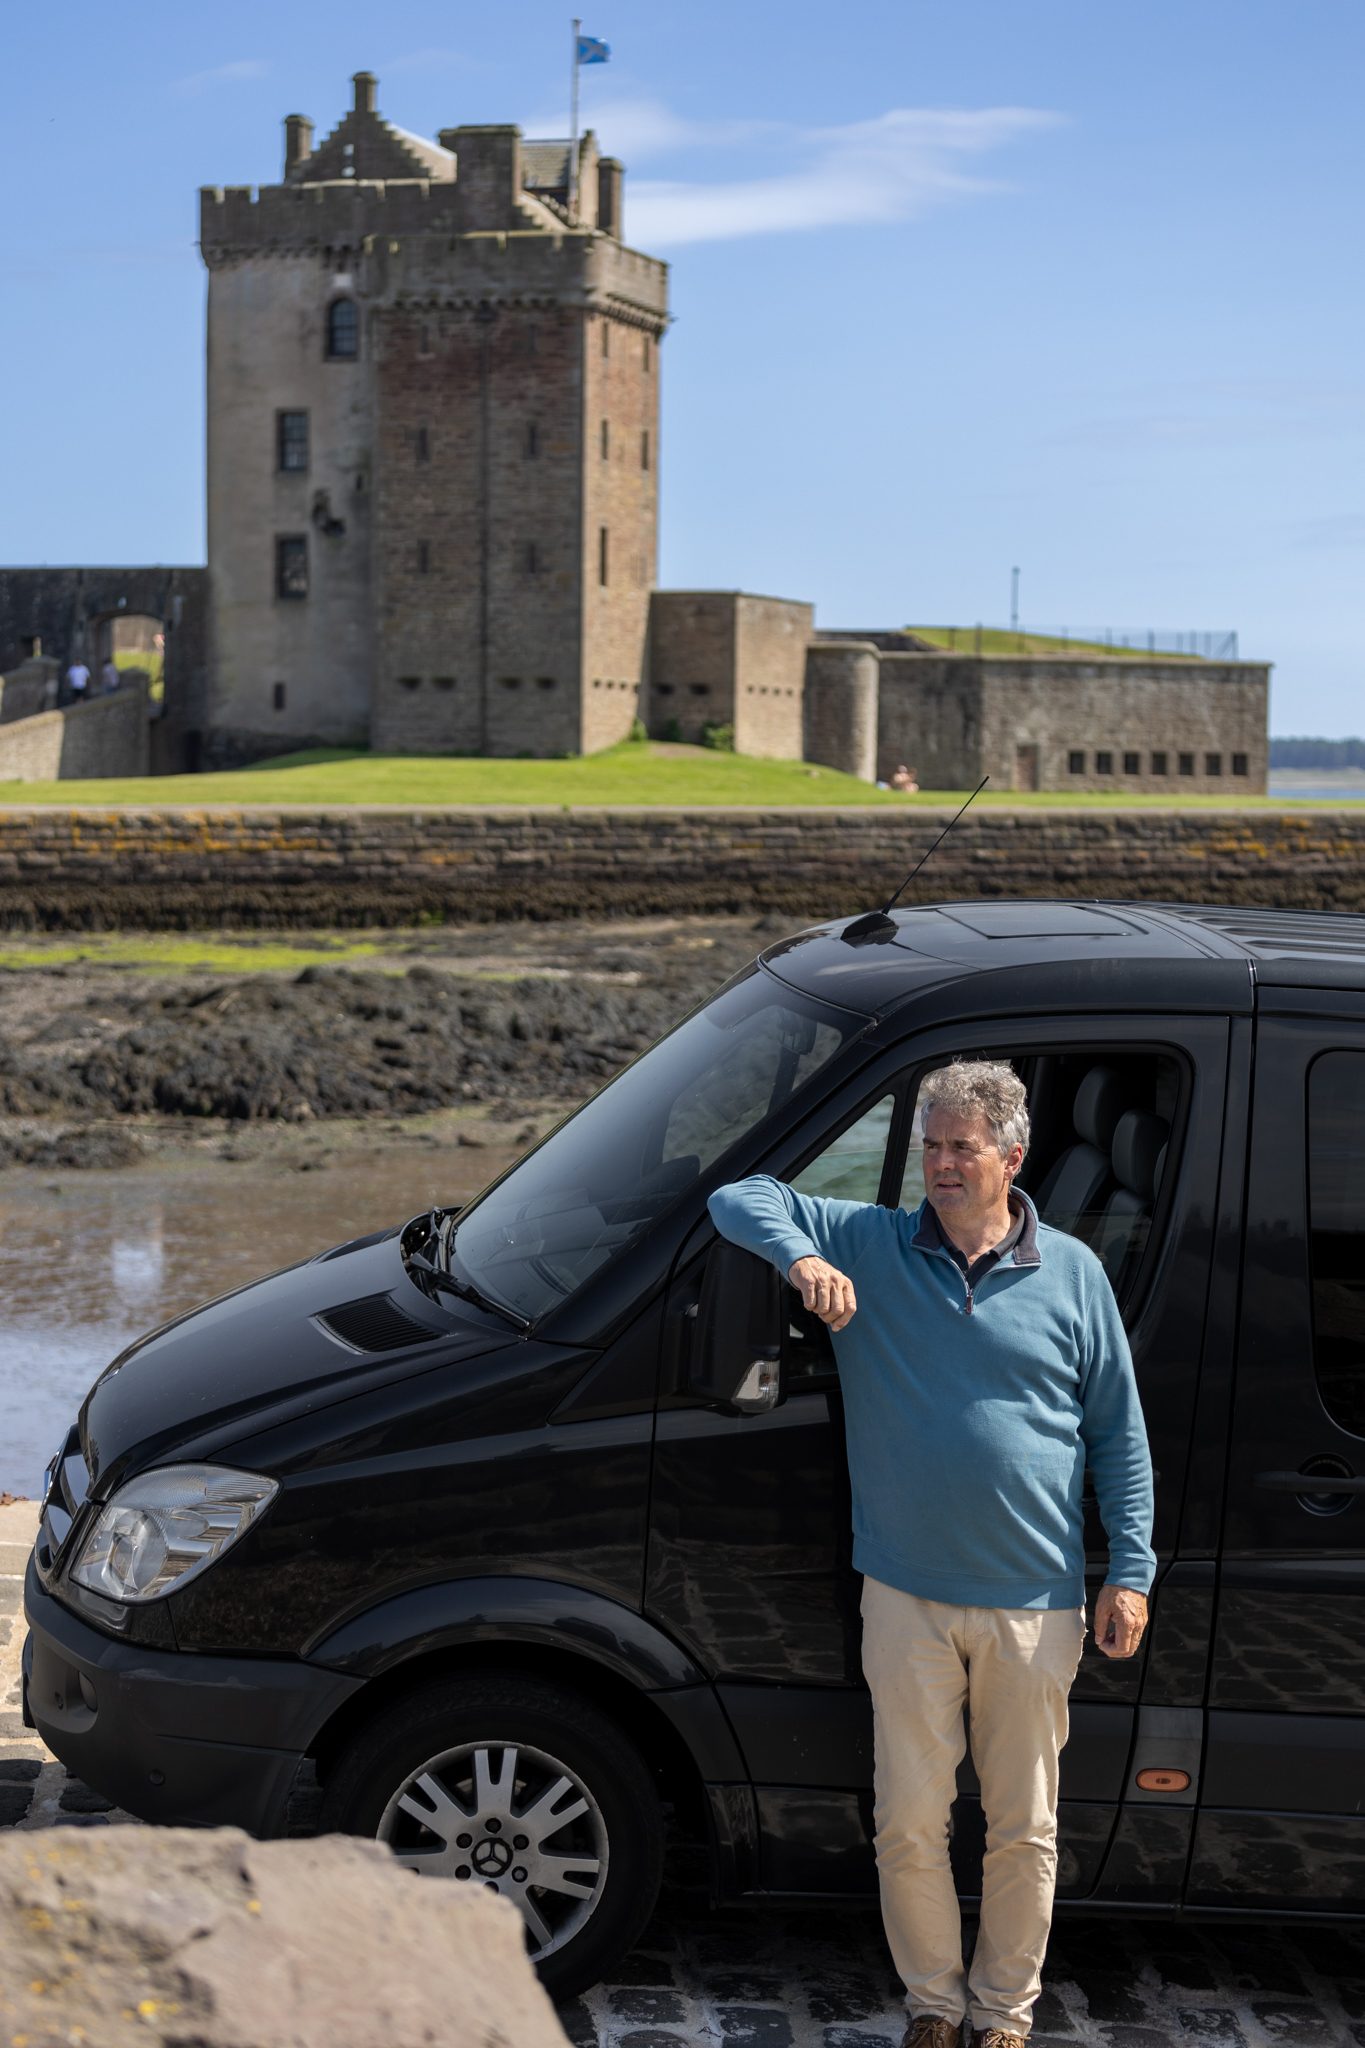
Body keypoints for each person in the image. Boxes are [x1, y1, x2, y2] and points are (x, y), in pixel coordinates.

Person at [708, 1060, 1154, 2048]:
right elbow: (736, 1196)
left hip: (1036, 1602)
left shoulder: (1074, 1272)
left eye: (962, 1147)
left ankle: (1004, 2014)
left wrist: (1131, 1570)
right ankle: (935, 2007)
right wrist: (800, 1258)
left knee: (1023, 1828)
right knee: (908, 1821)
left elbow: (1118, 1432)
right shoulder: (870, 1241)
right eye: (931, 1145)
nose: (942, 1163)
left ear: (1012, 1157)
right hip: (904, 1593)